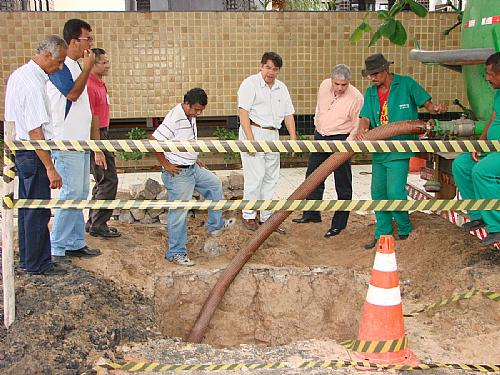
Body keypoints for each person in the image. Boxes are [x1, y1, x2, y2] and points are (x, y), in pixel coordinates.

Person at [357, 54, 447, 249]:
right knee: (378, 192)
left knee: (395, 191)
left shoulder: (406, 84)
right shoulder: (371, 92)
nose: (372, 78)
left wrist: (435, 109)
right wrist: (362, 129)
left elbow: (427, 104)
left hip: (399, 147)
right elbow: (364, 116)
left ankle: (405, 229)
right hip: (379, 149)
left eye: (375, 74)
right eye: (369, 75)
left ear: (386, 70)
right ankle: (383, 233)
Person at [4, 36, 66, 275]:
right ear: (47, 55)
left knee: (29, 207)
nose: (60, 67)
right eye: (59, 61)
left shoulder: (21, 75)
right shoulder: (31, 84)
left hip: (24, 152)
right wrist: (50, 167)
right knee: (37, 208)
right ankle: (38, 263)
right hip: (32, 152)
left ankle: (31, 259)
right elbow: (35, 131)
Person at [152, 88, 235, 266]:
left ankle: (215, 226)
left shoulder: (190, 116)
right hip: (178, 173)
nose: (198, 113)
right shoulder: (175, 117)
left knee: (214, 185)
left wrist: (195, 158)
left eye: (200, 111)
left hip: (192, 167)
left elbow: (186, 140)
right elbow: (154, 141)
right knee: (179, 212)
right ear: (186, 103)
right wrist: (166, 165)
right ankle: (175, 253)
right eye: (195, 109)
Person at [47, 19, 102, 259]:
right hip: (66, 142)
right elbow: (72, 93)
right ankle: (57, 247)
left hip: (80, 143)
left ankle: (75, 241)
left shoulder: (78, 67)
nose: (90, 43)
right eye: (87, 39)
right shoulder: (61, 68)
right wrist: (89, 66)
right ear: (73, 41)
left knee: (80, 193)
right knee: (70, 193)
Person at [292, 64, 363, 238]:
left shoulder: (356, 97)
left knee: (342, 183)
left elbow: (357, 125)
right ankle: (311, 214)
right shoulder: (324, 85)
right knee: (313, 176)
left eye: (344, 85)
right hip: (321, 136)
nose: (340, 88)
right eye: (337, 84)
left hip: (341, 139)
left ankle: (339, 224)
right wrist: (317, 124)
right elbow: (320, 107)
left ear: (349, 82)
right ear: (331, 80)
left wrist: (347, 145)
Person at [238, 51, 297, 233]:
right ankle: (249, 216)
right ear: (261, 66)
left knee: (271, 177)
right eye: (268, 67)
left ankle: (265, 217)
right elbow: (243, 112)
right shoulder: (250, 84)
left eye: (275, 69)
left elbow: (288, 114)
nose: (271, 72)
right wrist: (250, 140)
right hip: (254, 131)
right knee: (255, 176)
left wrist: (293, 138)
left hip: (273, 134)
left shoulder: (281, 88)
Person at [452, 52, 500, 246]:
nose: (487, 78)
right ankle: (478, 214)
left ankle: (497, 227)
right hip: (491, 147)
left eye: (490, 74)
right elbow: (493, 117)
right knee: (462, 164)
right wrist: (480, 142)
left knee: (482, 171)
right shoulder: (498, 92)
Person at [84, 48, 120, 238]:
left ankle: (93, 221)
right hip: (97, 135)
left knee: (103, 179)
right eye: (103, 62)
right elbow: (91, 119)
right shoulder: (89, 86)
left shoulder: (100, 84)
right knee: (108, 179)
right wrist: (97, 148)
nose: (108, 65)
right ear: (93, 64)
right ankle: (99, 224)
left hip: (104, 133)